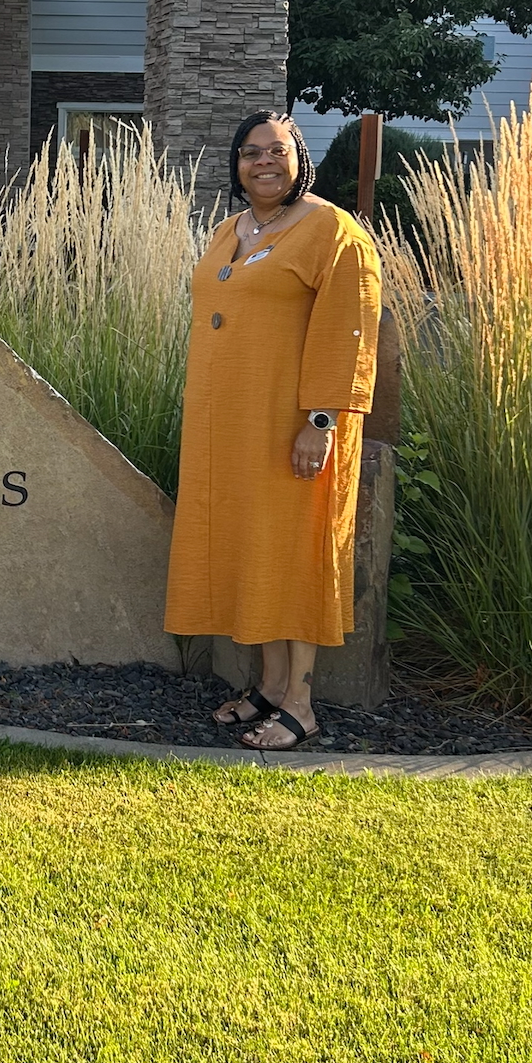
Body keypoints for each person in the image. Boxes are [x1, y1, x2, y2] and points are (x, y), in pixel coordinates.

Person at [166, 109, 381, 751]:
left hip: (292, 426)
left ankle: (301, 704)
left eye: (277, 150)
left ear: (300, 158)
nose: (264, 161)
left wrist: (320, 422)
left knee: (294, 553)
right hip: (226, 426)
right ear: (236, 165)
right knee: (249, 545)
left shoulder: (333, 232)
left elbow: (350, 333)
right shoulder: (231, 228)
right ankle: (267, 685)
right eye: (250, 152)